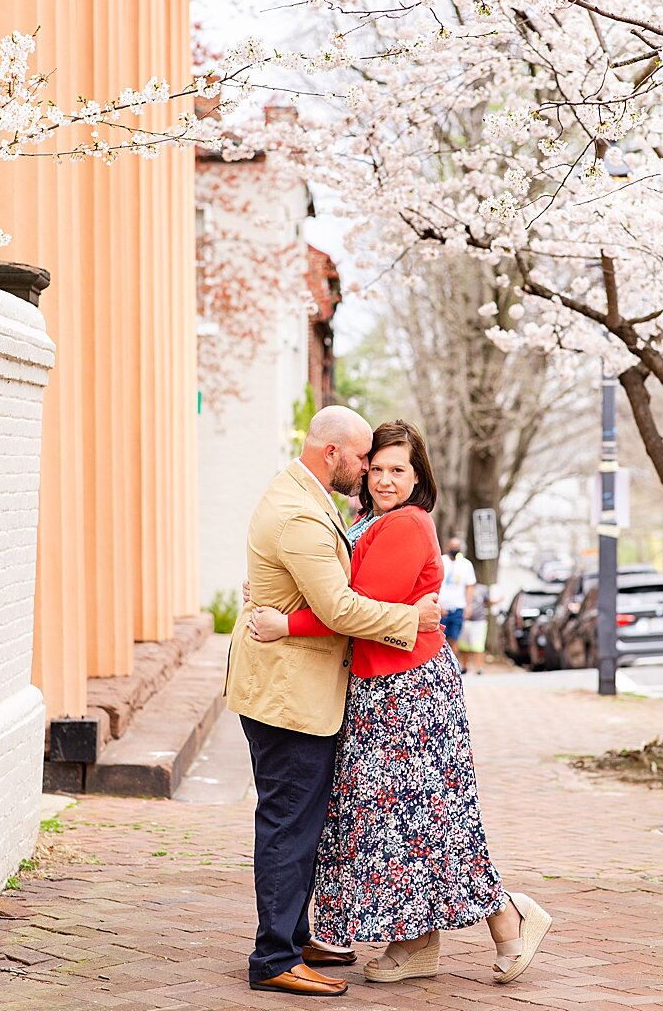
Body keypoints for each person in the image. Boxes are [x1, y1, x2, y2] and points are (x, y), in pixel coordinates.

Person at [248, 420, 551, 986]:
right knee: (400, 826)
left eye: (398, 470)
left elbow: (352, 608)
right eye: (378, 467)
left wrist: (283, 622)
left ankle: (509, 917)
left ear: (419, 476)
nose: (384, 479)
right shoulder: (369, 520)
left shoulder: (407, 526)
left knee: (430, 824)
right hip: (380, 687)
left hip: (409, 693)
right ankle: (414, 944)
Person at [225, 406, 444, 997]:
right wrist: (411, 617)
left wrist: (273, 597)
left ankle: (294, 936)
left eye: (388, 465)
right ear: (334, 455)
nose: (371, 472)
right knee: (288, 822)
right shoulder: (301, 512)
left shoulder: (309, 497)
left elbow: (327, 582)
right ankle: (274, 957)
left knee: (301, 819)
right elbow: (340, 608)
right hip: (289, 695)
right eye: (364, 461)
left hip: (299, 689)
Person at [440, 536, 477, 650]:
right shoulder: (440, 561)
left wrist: (468, 606)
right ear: (447, 547)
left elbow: (470, 586)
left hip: (458, 608)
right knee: (440, 639)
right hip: (441, 607)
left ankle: (453, 666)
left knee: (454, 639)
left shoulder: (466, 564)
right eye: (452, 546)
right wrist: (438, 604)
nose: (454, 548)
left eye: (457, 547)